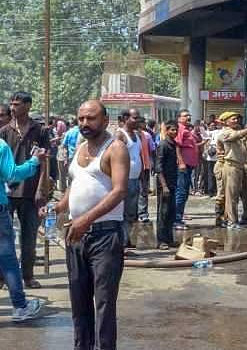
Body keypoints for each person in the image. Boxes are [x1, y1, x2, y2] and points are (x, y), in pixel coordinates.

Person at [44, 100, 130, 350]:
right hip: (76, 236)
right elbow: (76, 183)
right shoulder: (81, 147)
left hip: (105, 236)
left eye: (91, 118)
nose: (85, 123)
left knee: (103, 303)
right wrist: (57, 207)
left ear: (105, 120)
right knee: (79, 302)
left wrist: (86, 220)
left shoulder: (115, 148)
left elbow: (119, 191)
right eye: (81, 118)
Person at [0, 92, 50, 289]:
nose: (13, 108)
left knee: (29, 238)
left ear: (28, 106)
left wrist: (41, 189)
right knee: (4, 238)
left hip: (30, 191)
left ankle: (27, 276)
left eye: (17, 104)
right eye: (12, 104)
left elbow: (44, 161)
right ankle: (3, 277)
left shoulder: (40, 131)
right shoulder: (4, 132)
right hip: (7, 193)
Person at [0, 132, 46, 321]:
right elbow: (12, 175)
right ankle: (20, 306)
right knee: (7, 258)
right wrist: (34, 161)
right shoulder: (1, 146)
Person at [216, 112, 247, 228]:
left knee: (236, 195)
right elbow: (238, 135)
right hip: (231, 166)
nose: (236, 121)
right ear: (226, 122)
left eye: (237, 119)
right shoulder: (225, 133)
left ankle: (230, 220)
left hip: (239, 166)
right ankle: (231, 222)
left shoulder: (236, 132)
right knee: (231, 196)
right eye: (233, 119)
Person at [115, 109, 143, 250]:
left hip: (135, 179)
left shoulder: (137, 135)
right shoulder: (120, 135)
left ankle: (127, 239)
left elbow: (138, 155)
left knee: (131, 212)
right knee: (122, 212)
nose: (138, 121)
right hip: (124, 180)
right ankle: (122, 242)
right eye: (135, 118)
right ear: (126, 118)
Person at [154, 121, 179, 250]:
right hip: (164, 184)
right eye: (172, 130)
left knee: (171, 212)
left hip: (172, 182)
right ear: (167, 131)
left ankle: (169, 239)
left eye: (176, 130)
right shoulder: (163, 145)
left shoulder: (173, 144)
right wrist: (164, 186)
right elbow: (158, 167)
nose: (175, 132)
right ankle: (161, 241)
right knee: (163, 213)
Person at [174, 109, 199, 228]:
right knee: (181, 192)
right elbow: (177, 146)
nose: (188, 117)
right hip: (183, 167)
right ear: (179, 118)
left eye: (189, 115)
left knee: (184, 193)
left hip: (189, 166)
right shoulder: (179, 129)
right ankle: (176, 219)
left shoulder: (187, 130)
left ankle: (179, 216)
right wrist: (181, 162)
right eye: (185, 116)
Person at [137, 116, 154, 223]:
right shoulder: (129, 135)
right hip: (133, 168)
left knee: (143, 190)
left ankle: (143, 213)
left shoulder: (146, 135)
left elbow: (152, 149)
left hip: (145, 167)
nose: (143, 125)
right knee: (133, 191)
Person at [204, 121, 222, 198]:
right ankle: (210, 191)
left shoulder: (222, 131)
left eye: (216, 124)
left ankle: (216, 190)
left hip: (218, 156)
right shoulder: (210, 132)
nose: (215, 126)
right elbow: (204, 135)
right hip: (211, 156)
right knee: (211, 174)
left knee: (217, 174)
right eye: (214, 124)